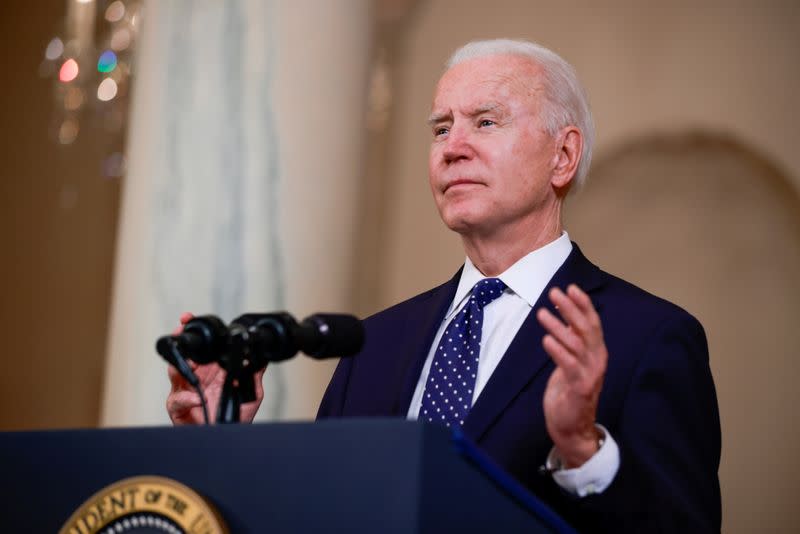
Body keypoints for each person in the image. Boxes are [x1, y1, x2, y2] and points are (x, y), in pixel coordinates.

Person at [167, 39, 721, 532]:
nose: (452, 147)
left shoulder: (648, 336)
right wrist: (224, 443)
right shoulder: (372, 344)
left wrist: (583, 452)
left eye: (485, 122)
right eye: (440, 128)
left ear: (563, 156)